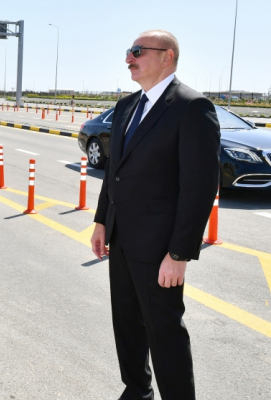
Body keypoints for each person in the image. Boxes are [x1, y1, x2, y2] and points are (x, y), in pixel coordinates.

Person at [90, 30, 220, 400]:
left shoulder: (191, 107)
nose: (129, 58)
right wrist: (102, 221)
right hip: (121, 238)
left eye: (137, 51)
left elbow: (198, 189)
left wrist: (179, 254)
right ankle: (137, 389)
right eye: (128, 52)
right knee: (127, 324)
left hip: (161, 247)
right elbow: (114, 170)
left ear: (167, 57)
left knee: (164, 332)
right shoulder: (126, 106)